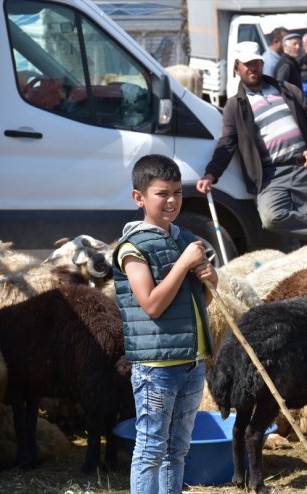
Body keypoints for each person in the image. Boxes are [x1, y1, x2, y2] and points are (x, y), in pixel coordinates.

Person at [112, 154, 217, 494]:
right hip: (157, 367)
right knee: (151, 447)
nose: (171, 200)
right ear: (139, 198)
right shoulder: (133, 247)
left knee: (178, 449)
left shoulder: (184, 238)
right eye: (162, 193)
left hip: (191, 361)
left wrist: (208, 278)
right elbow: (153, 305)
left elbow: (201, 301)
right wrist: (184, 264)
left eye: (177, 192)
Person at [196, 41, 307, 248]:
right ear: (236, 68)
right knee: (271, 217)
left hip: (305, 167)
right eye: (247, 64)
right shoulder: (235, 105)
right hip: (271, 175)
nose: (253, 68)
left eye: (256, 63)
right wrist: (211, 174)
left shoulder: (287, 90)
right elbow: (227, 142)